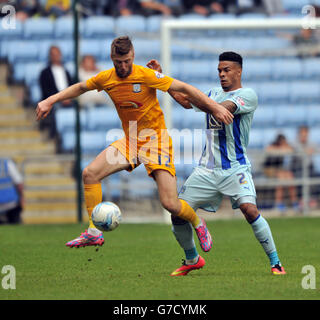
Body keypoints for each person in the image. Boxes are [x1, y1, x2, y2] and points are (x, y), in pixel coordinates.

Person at [36, 36, 233, 254]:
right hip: (130, 141)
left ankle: (198, 223)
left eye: (127, 61)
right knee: (90, 174)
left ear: (133, 56)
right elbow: (80, 87)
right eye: (118, 62)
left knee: (169, 203)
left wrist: (215, 108)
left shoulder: (146, 75)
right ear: (112, 58)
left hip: (156, 141)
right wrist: (49, 100)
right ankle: (93, 232)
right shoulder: (106, 78)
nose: (123, 66)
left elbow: (185, 88)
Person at [147, 51, 286, 276]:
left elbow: (227, 108)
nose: (222, 74)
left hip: (235, 168)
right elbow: (184, 101)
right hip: (206, 170)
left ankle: (276, 262)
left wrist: (206, 103)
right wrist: (161, 77)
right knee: (177, 213)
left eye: (226, 70)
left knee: (250, 210)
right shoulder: (212, 93)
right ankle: (192, 259)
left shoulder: (248, 95)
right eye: (219, 71)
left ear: (239, 71)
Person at [39, 45, 73, 138]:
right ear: (50, 56)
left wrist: (68, 98)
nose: (56, 56)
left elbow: (72, 86)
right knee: (55, 109)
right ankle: (55, 135)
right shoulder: (45, 73)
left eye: (58, 54)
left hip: (68, 100)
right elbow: (46, 91)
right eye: (54, 54)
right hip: (54, 101)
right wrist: (60, 99)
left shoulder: (66, 71)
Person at [264, 134, 299, 213]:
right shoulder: (272, 146)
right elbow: (268, 150)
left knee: (289, 175)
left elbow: (292, 150)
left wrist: (284, 148)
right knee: (281, 178)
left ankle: (295, 203)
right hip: (269, 169)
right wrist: (280, 149)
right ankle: (278, 203)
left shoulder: (286, 146)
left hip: (280, 169)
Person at [0, 157, 24, 224]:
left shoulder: (6, 163)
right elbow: (19, 182)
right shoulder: (6, 164)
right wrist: (22, 197)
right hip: (11, 203)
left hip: (11, 204)